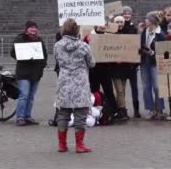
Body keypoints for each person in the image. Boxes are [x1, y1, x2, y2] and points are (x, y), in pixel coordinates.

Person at [54, 18, 95, 153]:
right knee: (80, 115)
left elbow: (57, 60)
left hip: (64, 82)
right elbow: (92, 63)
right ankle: (79, 145)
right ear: (77, 30)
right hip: (80, 83)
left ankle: (62, 144)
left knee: (63, 114)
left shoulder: (57, 45)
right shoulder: (84, 46)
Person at [10, 20, 48, 126]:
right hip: (24, 72)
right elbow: (13, 53)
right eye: (31, 27)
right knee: (24, 95)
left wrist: (42, 65)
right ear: (26, 28)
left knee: (31, 96)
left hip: (36, 72)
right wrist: (23, 55)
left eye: (35, 27)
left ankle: (27, 116)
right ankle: (20, 117)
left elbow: (44, 54)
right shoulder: (20, 39)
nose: (33, 29)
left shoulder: (39, 40)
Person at [84, 25, 117, 121]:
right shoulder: (88, 36)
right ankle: (93, 111)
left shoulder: (109, 36)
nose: (102, 26)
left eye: (104, 25)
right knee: (94, 90)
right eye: (100, 24)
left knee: (109, 90)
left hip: (106, 68)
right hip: (93, 69)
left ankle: (112, 111)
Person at [139, 12, 167, 120]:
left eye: (147, 19)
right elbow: (139, 44)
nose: (145, 21)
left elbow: (165, 51)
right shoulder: (144, 31)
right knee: (146, 87)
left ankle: (159, 109)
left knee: (157, 87)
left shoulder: (161, 35)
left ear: (152, 22)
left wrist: (153, 53)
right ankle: (151, 109)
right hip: (144, 62)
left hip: (156, 63)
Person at [111, 15, 134, 121]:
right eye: (117, 22)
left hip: (124, 66)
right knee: (119, 90)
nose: (119, 24)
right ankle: (123, 110)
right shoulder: (110, 33)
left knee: (122, 90)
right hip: (114, 66)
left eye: (121, 22)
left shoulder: (128, 33)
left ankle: (119, 110)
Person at [121, 6, 141, 118]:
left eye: (129, 13)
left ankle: (136, 110)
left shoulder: (134, 28)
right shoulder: (119, 27)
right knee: (122, 89)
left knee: (134, 88)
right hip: (122, 63)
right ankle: (123, 109)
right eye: (125, 13)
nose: (127, 15)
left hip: (132, 63)